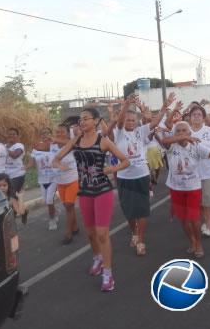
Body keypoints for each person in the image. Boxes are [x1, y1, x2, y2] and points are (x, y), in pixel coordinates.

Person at [53, 107, 130, 292]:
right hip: (85, 192)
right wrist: (59, 164)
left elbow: (125, 161)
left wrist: (112, 170)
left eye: (86, 118)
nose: (82, 122)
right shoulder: (76, 141)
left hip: (102, 190)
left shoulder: (103, 141)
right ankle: (97, 257)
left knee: (102, 233)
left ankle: (108, 274)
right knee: (90, 233)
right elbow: (56, 158)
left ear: (96, 121)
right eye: (80, 119)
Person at [113, 93, 171, 256]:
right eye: (127, 120)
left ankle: (140, 240)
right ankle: (134, 232)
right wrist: (126, 105)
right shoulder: (119, 133)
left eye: (133, 120)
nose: (130, 122)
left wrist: (165, 106)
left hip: (142, 176)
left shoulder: (141, 131)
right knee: (129, 211)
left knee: (143, 210)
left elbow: (155, 122)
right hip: (124, 178)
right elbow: (118, 121)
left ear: (136, 121)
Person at [160, 121, 210, 258]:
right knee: (183, 219)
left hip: (193, 188)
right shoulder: (171, 146)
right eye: (178, 131)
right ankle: (192, 241)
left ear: (190, 133)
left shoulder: (196, 145)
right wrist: (183, 138)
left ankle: (199, 243)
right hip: (176, 188)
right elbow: (164, 140)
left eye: (184, 131)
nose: (181, 133)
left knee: (194, 219)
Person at [186, 104, 210, 238]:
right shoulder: (185, 131)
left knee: (207, 197)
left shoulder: (209, 131)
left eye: (199, 115)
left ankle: (208, 224)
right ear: (189, 117)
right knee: (198, 200)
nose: (196, 117)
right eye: (194, 115)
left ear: (203, 118)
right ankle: (204, 219)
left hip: (207, 171)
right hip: (190, 173)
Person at [53, 124, 80, 245]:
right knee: (67, 206)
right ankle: (74, 227)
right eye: (57, 132)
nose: (59, 134)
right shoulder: (52, 146)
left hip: (72, 179)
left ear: (68, 134)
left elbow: (78, 139)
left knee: (69, 205)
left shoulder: (71, 144)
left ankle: (68, 233)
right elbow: (52, 162)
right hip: (60, 181)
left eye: (62, 132)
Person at [27, 127, 59, 230]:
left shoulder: (55, 146)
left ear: (51, 134)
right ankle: (55, 212)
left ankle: (52, 221)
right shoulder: (36, 149)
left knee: (49, 200)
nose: (45, 135)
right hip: (42, 180)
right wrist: (23, 168)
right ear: (40, 136)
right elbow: (31, 163)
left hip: (53, 178)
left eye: (47, 133)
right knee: (46, 201)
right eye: (43, 134)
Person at [5, 128, 28, 223]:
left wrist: (4, 150)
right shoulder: (4, 146)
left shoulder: (19, 146)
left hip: (17, 175)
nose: (11, 136)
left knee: (11, 198)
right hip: (6, 177)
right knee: (11, 198)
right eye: (9, 134)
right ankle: (23, 211)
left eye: (14, 134)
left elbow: (15, 155)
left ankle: (12, 221)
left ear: (18, 136)